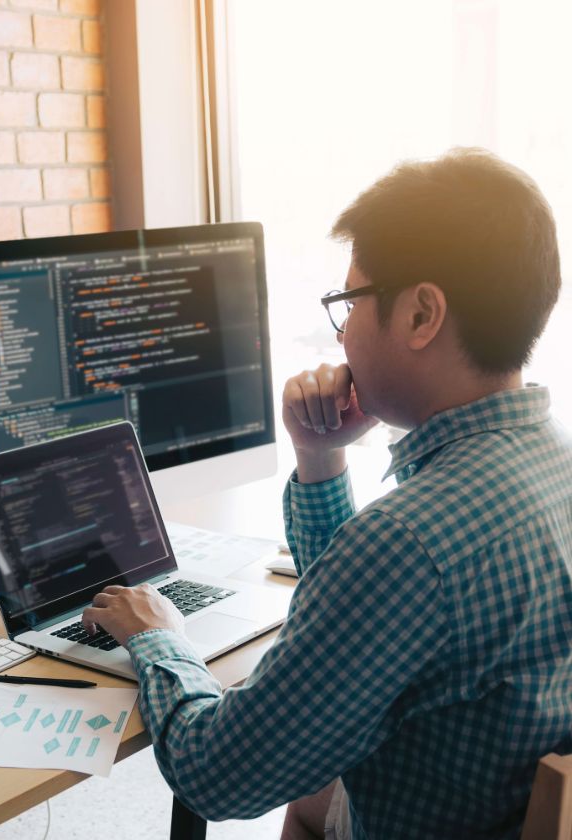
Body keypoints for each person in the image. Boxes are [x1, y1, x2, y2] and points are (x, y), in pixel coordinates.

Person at [81, 148, 572, 839]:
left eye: (349, 304)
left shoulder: (410, 542)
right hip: (488, 803)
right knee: (312, 790)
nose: (342, 335)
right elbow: (359, 634)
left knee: (293, 784)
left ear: (421, 313)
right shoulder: (552, 455)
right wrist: (320, 457)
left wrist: (161, 639)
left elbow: (217, 776)